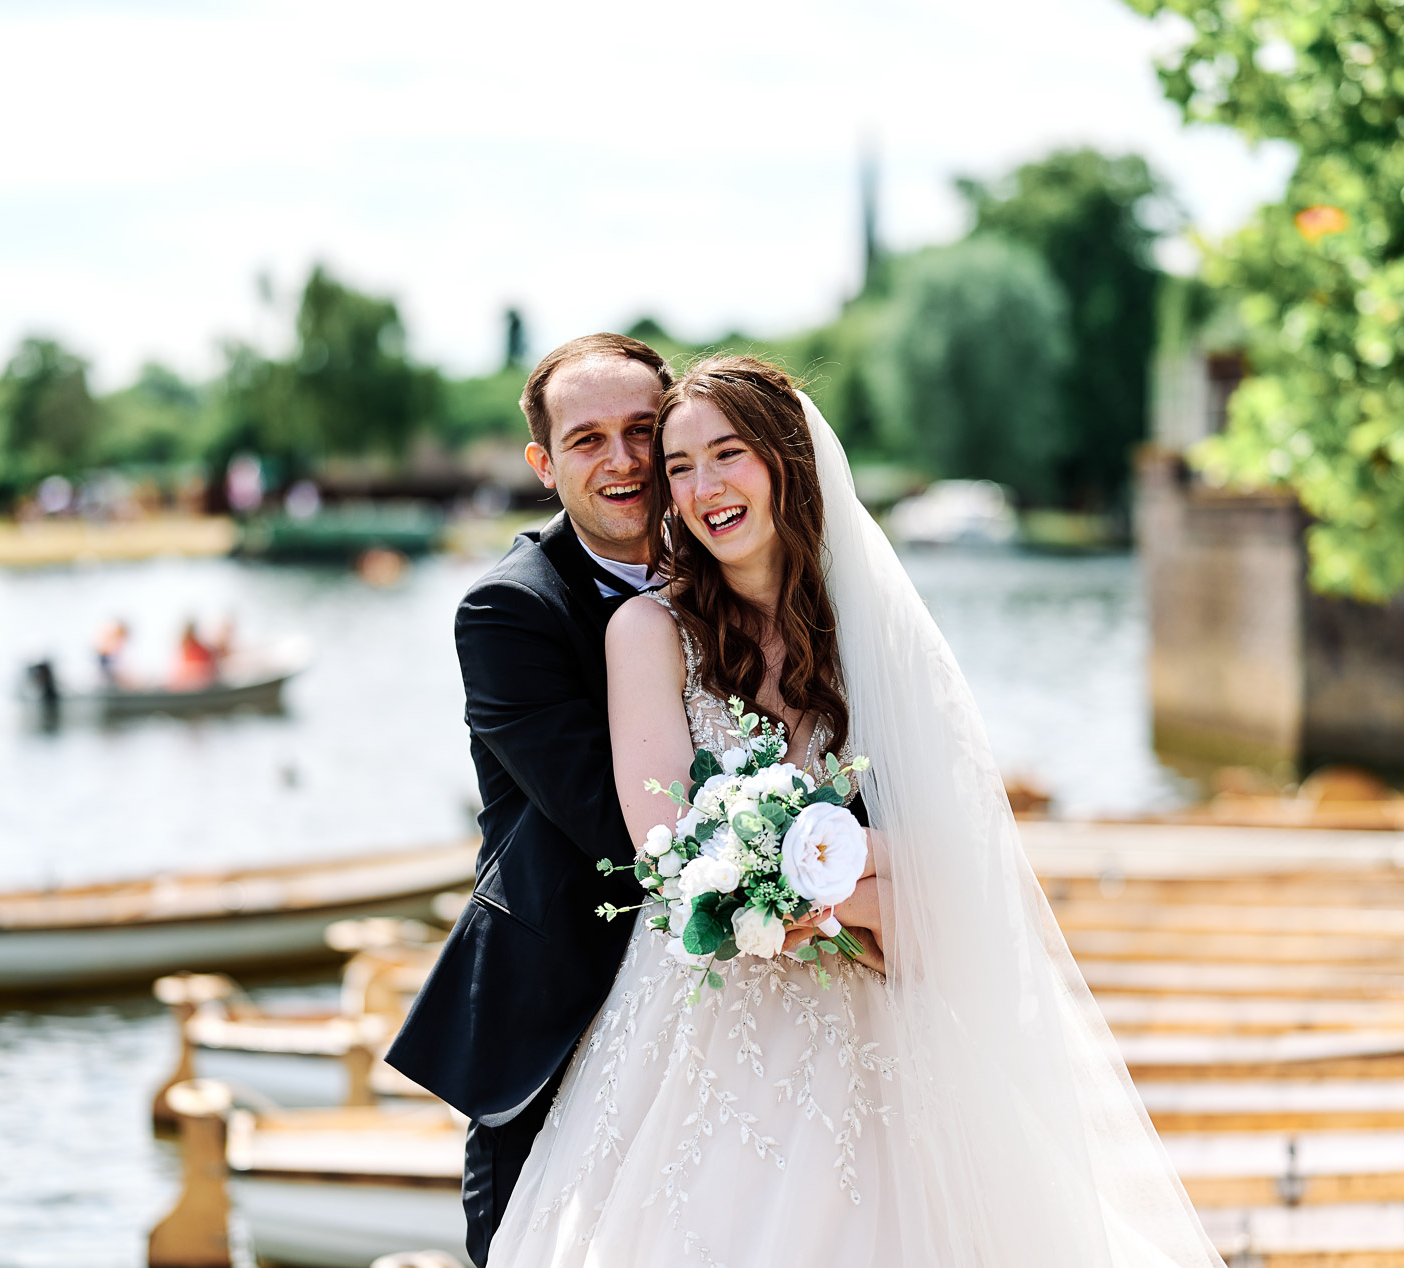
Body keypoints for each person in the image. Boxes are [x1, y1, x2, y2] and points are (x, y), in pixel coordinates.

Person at [486, 358, 1221, 1267]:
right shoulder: (645, 632)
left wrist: (828, 889)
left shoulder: (873, 626)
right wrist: (837, 877)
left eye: (728, 454)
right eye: (681, 466)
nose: (703, 486)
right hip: (700, 1017)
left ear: (788, 461)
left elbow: (956, 862)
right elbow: (668, 851)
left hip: (870, 1008)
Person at [386, 332, 674, 1267]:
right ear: (544, 467)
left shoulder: (745, 580)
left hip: (732, 989)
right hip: (560, 1017)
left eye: (643, 430)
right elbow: (613, 817)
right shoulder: (509, 611)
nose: (624, 460)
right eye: (588, 441)